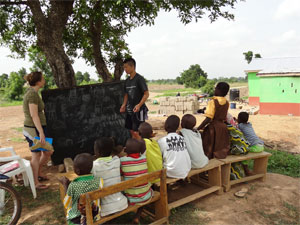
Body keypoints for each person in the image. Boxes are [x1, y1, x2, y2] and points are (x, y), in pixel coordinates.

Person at [22, 71, 53, 190]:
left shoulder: (34, 93)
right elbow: (34, 115)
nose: (44, 80)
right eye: (43, 78)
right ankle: (35, 182)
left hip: (39, 127)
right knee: (36, 154)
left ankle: (37, 173)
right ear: (38, 81)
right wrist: (40, 132)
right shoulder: (32, 95)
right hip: (33, 129)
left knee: (48, 152)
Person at [59, 153, 103, 225]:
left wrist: (65, 185)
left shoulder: (73, 185)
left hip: (77, 221)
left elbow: (67, 204)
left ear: (78, 171)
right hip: (95, 216)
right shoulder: (99, 181)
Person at [92, 137, 128, 217]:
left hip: (105, 208)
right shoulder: (116, 160)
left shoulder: (94, 165)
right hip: (122, 203)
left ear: (97, 152)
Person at [120, 138, 153, 224]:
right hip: (146, 195)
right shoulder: (144, 158)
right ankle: (137, 216)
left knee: (122, 188)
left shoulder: (122, 161)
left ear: (125, 150)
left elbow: (120, 173)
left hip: (131, 197)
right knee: (142, 190)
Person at [197, 82, 230, 159]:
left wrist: (198, 128)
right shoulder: (227, 102)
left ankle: (209, 169)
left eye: (215, 88)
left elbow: (208, 118)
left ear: (218, 90)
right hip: (223, 128)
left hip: (214, 128)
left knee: (209, 148)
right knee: (220, 148)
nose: (214, 90)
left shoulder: (213, 102)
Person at [120, 58, 149, 139]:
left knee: (138, 131)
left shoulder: (139, 79)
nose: (125, 69)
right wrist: (123, 105)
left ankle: (140, 148)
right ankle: (135, 147)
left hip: (139, 110)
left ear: (132, 67)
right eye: (124, 67)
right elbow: (126, 94)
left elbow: (146, 94)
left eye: (126, 67)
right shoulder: (127, 81)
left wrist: (139, 105)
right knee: (131, 130)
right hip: (130, 110)